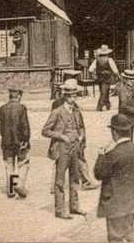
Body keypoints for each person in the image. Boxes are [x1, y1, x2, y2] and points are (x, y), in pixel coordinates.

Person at [94, 114, 134, 242]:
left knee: (116, 236)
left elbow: (99, 174)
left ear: (114, 132)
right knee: (129, 229)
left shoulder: (111, 154)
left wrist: (101, 156)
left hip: (115, 202)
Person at [42, 79, 87, 219]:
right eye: (71, 96)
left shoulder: (76, 111)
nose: (74, 98)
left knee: (75, 178)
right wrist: (61, 136)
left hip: (75, 148)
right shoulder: (57, 111)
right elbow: (45, 131)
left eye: (75, 95)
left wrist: (81, 136)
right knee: (60, 179)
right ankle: (60, 210)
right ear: (65, 96)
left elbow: (81, 127)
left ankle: (74, 206)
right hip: (62, 148)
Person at [0, 86, 31, 199]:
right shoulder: (22, 108)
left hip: (7, 142)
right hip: (21, 142)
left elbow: (2, 128)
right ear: (19, 96)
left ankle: (11, 190)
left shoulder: (2, 108)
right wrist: (26, 140)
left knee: (9, 166)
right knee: (23, 164)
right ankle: (20, 186)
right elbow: (25, 126)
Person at [89, 45, 119, 112]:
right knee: (104, 92)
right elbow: (115, 70)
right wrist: (118, 76)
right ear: (107, 53)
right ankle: (99, 106)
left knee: (104, 91)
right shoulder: (109, 60)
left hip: (99, 78)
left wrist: (94, 75)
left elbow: (90, 69)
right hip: (107, 78)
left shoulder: (96, 60)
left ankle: (107, 104)